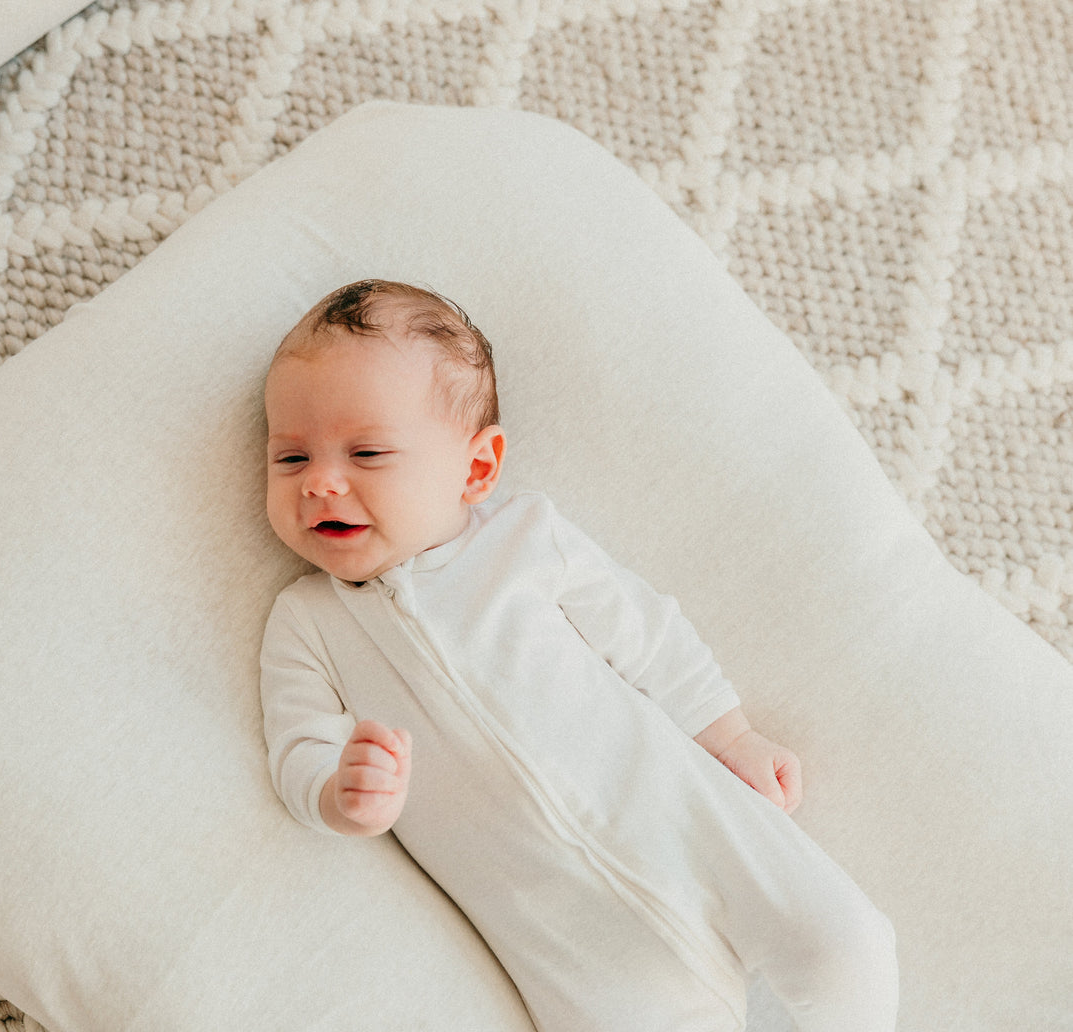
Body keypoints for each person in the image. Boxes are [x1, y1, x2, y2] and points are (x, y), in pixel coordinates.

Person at [259, 279, 899, 1032]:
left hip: (686, 818)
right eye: (290, 458)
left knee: (845, 945)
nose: (321, 483)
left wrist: (728, 735)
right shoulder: (306, 622)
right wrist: (338, 791)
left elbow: (646, 635)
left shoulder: (523, 542)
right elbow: (295, 745)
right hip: (562, 934)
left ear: (474, 469)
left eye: (366, 452)